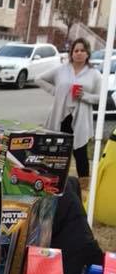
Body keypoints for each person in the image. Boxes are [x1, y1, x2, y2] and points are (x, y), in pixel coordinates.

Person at [36, 38, 101, 193]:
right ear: (71, 53)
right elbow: (39, 79)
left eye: (82, 50)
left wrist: (84, 96)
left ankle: (83, 190)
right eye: (76, 50)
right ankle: (52, 186)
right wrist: (55, 91)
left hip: (80, 119)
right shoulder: (61, 70)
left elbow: (100, 97)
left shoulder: (94, 74)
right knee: (56, 151)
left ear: (87, 54)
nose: (79, 53)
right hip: (61, 116)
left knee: (80, 153)